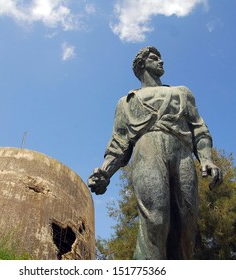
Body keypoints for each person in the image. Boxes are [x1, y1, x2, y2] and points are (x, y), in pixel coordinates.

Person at [88, 46, 222, 259]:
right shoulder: (126, 102)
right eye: (154, 58)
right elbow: (119, 143)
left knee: (187, 223)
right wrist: (105, 172)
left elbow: (199, 128)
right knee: (156, 219)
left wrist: (207, 159)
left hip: (182, 154)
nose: (161, 61)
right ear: (142, 65)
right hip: (147, 152)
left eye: (160, 58)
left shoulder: (181, 93)